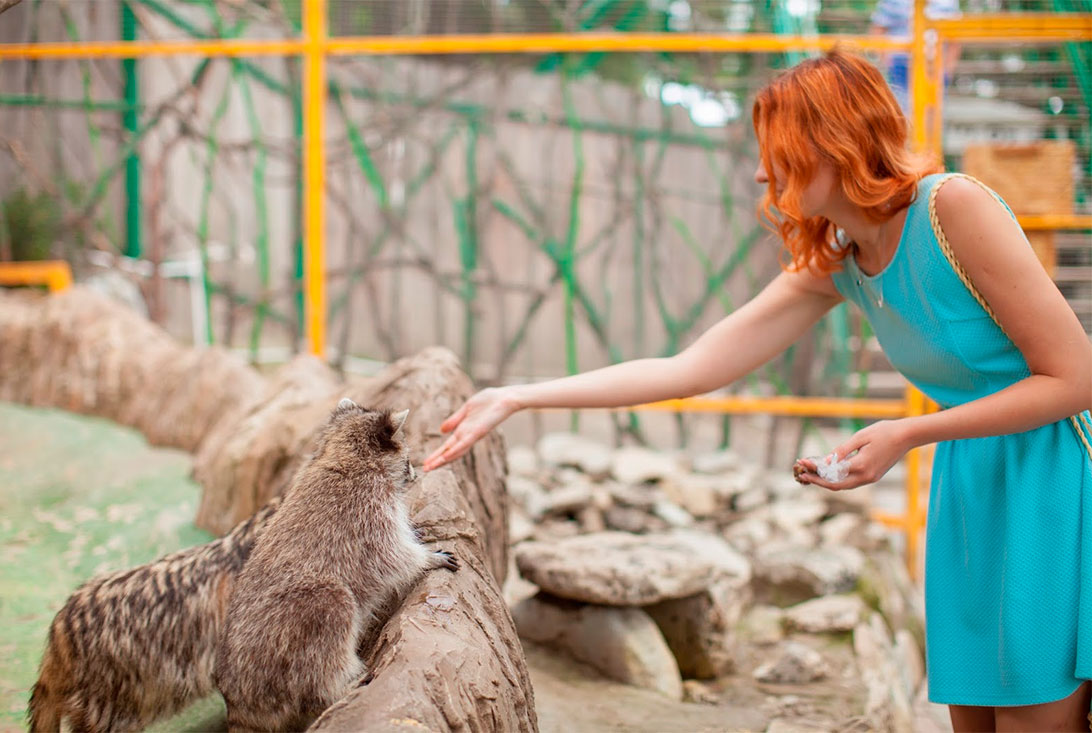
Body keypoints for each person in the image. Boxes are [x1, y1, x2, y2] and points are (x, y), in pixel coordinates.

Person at [423, 49, 1092, 732]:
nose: (760, 170)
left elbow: (1076, 378)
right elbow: (691, 368)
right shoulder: (843, 260)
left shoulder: (954, 207)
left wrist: (908, 433)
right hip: (974, 484)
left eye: (776, 148)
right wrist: (518, 397)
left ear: (834, 141)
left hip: (1054, 478)